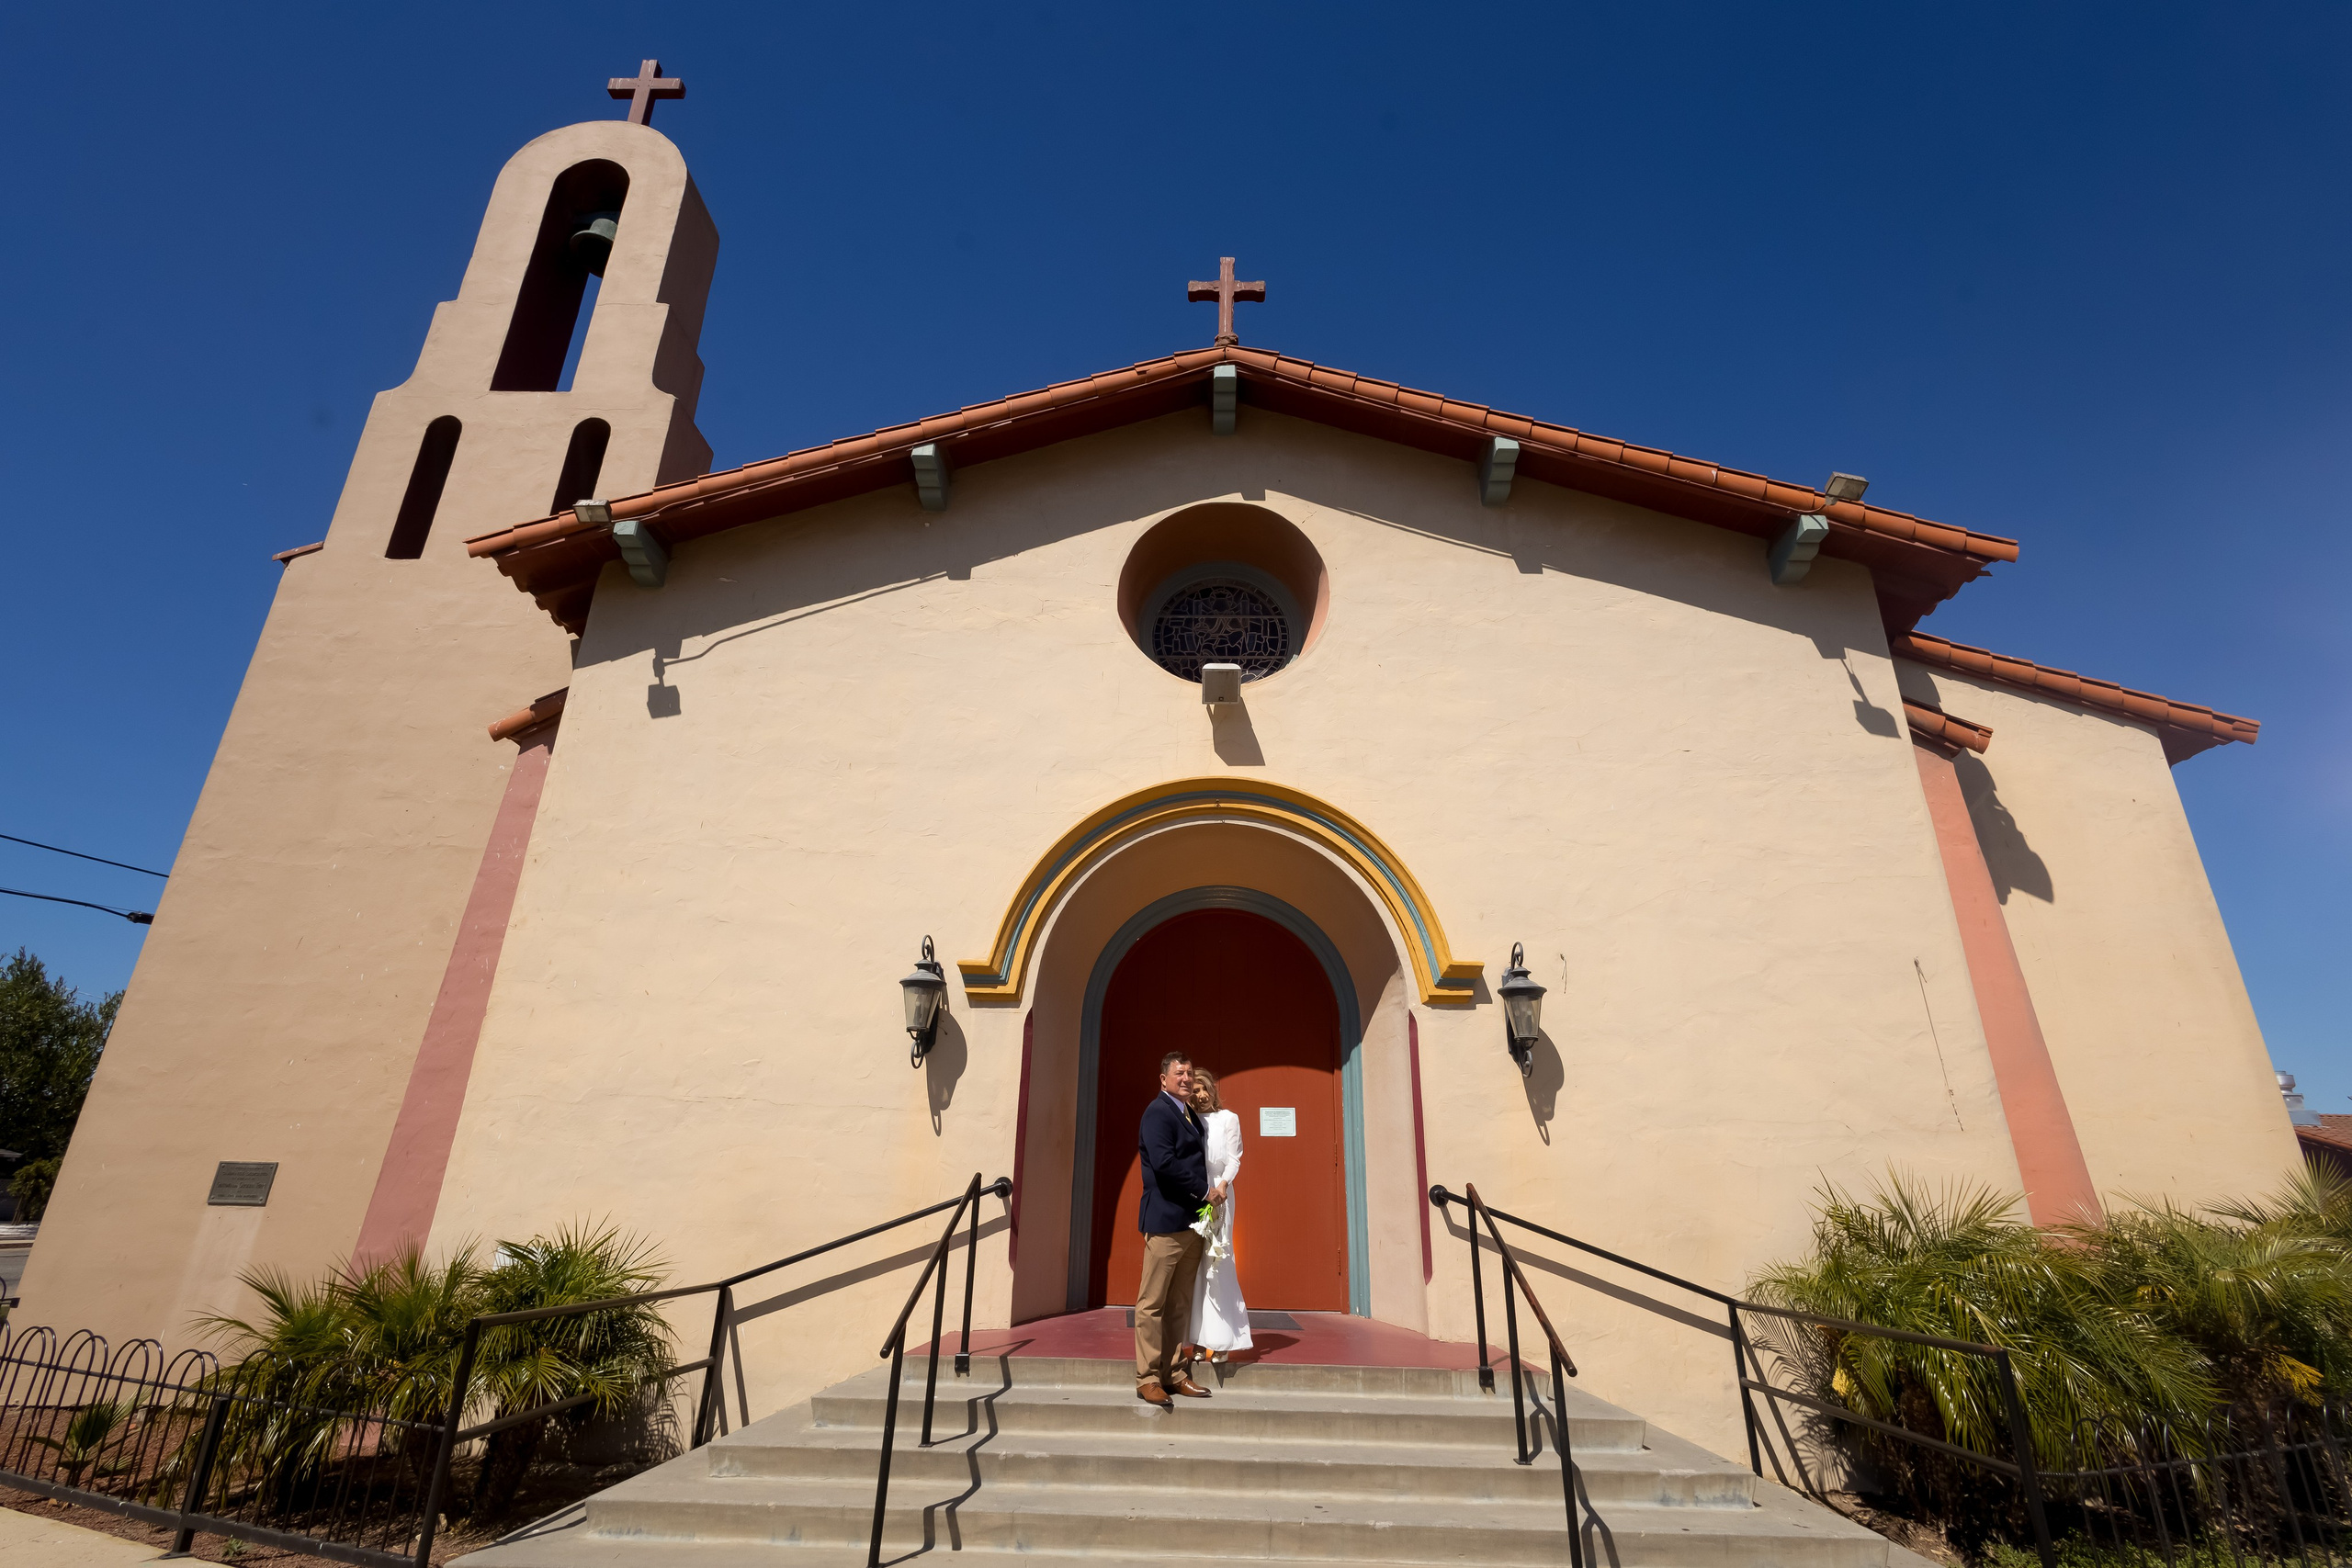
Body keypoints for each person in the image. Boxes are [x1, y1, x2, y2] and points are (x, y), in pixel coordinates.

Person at [1133, 1050, 1216, 1406]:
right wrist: (1204, 1191)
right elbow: (1164, 1163)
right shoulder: (1157, 1112)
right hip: (1165, 1222)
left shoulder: (1190, 1115)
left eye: (1190, 1072)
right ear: (1163, 1078)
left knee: (1179, 1304)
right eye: (1179, 1073)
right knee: (1152, 1303)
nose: (1186, 1078)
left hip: (1191, 1224)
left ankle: (1175, 1373)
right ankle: (1148, 1378)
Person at [1186, 1068, 1253, 1362]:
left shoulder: (1229, 1119)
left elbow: (1234, 1157)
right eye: (1195, 1091)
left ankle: (1223, 1340)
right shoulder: (1188, 1122)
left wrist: (1222, 1187)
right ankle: (1199, 1341)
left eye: (1205, 1089)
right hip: (1194, 1197)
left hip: (1220, 1197)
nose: (1200, 1096)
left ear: (1213, 1090)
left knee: (1218, 1262)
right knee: (1195, 1268)